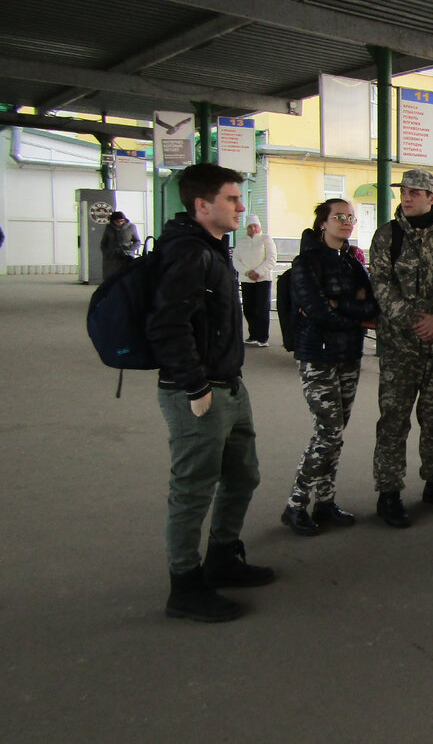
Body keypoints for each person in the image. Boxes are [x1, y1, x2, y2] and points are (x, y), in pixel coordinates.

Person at [146, 163, 274, 623]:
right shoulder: (188, 253)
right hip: (198, 392)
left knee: (243, 475)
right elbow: (166, 325)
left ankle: (222, 557)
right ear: (202, 205)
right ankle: (185, 586)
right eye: (232, 199)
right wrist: (195, 385)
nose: (242, 207)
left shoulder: (213, 248)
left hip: (229, 387)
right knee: (193, 489)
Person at [370, 168, 433, 528]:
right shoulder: (388, 235)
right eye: (404, 191)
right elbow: (381, 286)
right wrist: (418, 322)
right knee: (394, 421)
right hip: (401, 348)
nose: (406, 197)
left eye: (415, 192)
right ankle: (389, 492)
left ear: (432, 198)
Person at [280, 199, 379, 536]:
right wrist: (355, 314)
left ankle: (325, 501)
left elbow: (374, 306)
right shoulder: (305, 263)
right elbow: (317, 311)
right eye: (339, 216)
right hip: (317, 356)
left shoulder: (353, 263)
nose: (346, 222)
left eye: (351, 217)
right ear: (323, 222)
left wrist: (341, 306)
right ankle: (295, 504)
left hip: (349, 355)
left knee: (336, 435)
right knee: (328, 432)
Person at [232, 213, 277, 347]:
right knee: (248, 308)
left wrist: (258, 272)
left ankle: (262, 337)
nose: (253, 229)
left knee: (262, 308)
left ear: (259, 226)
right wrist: (247, 272)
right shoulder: (241, 241)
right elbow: (236, 260)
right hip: (247, 280)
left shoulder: (266, 239)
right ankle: (253, 335)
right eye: (250, 227)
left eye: (255, 226)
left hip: (262, 279)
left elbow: (271, 258)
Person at [100, 211, 141, 280]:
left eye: (122, 221)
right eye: (117, 221)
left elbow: (137, 241)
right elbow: (104, 242)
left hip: (126, 256)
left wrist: (130, 249)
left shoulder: (131, 227)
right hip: (111, 257)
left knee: (124, 277)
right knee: (111, 278)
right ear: (113, 221)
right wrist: (106, 252)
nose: (120, 223)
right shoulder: (108, 228)